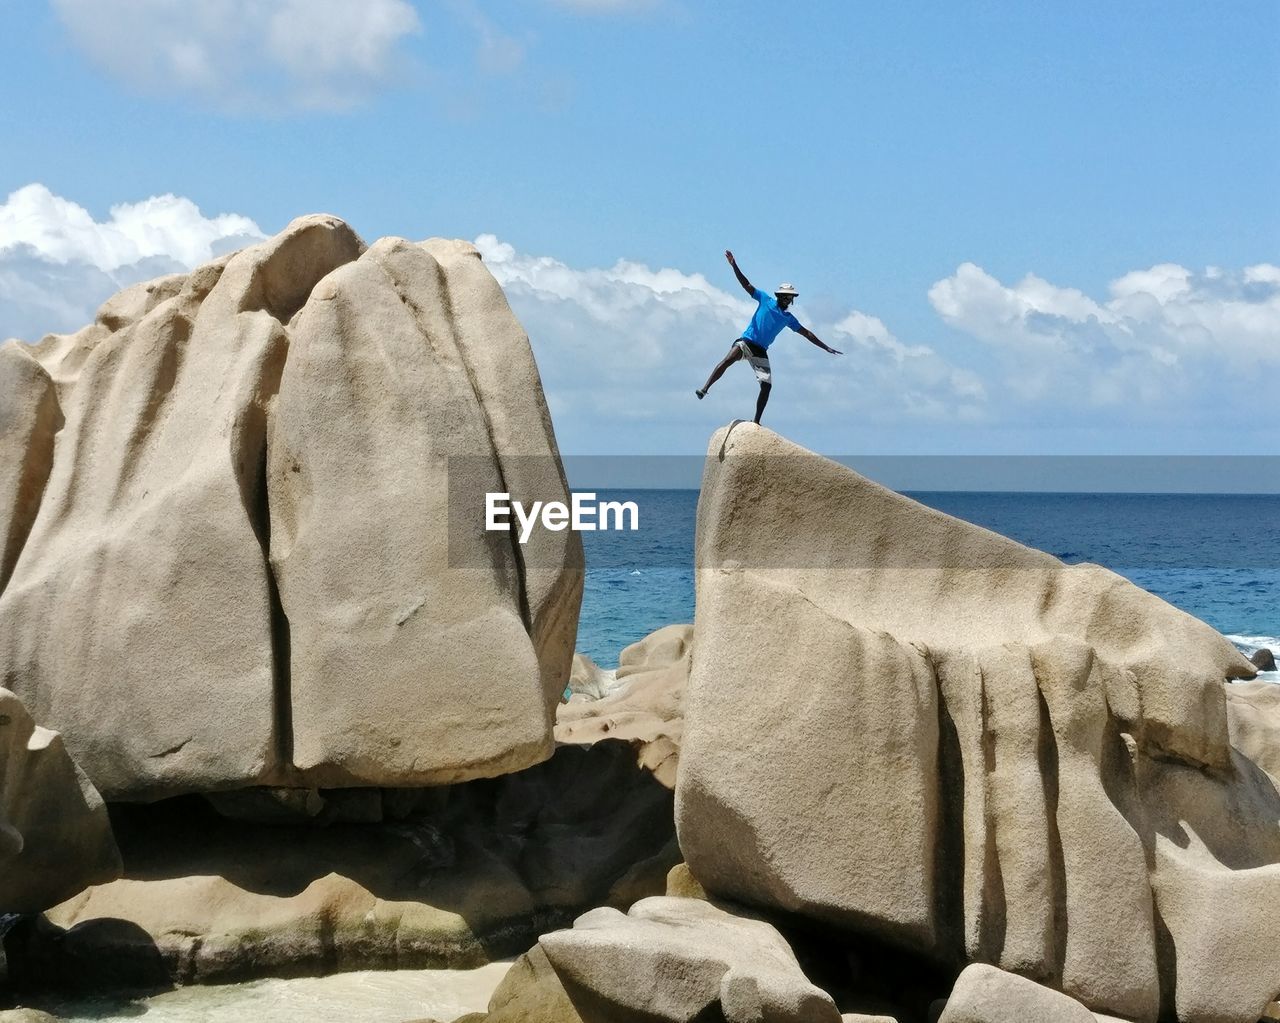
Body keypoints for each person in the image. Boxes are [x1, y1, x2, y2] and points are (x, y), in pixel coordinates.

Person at [696, 250, 842, 424]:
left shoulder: (788, 318)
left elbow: (807, 333)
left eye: (791, 298)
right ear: (779, 296)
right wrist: (734, 265)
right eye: (786, 297)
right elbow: (746, 284)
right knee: (729, 359)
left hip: (760, 351)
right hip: (747, 342)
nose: (788, 300)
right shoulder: (765, 299)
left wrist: (826, 347)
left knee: (766, 386)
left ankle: (756, 422)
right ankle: (705, 389)